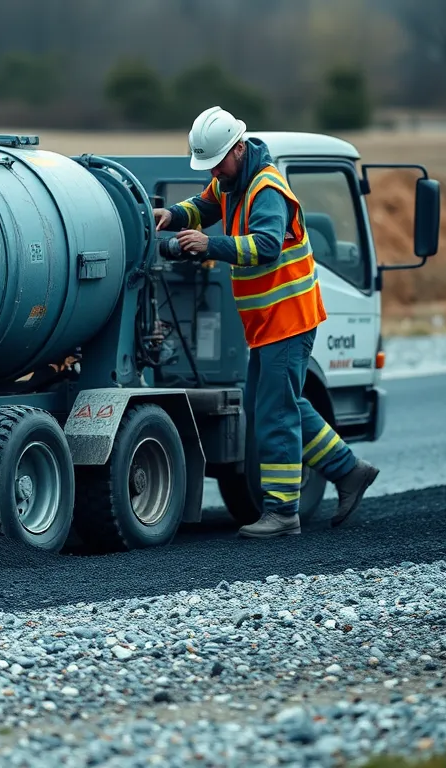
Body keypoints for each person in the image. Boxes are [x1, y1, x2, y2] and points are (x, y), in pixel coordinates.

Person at [153, 105, 379, 538]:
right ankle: (349, 471)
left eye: (218, 162)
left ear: (239, 148)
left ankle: (282, 513)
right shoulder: (231, 180)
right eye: (210, 166)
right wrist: (174, 216)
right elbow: (203, 205)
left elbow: (268, 245)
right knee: (279, 404)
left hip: (288, 318)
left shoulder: (266, 187)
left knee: (275, 411)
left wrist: (210, 245)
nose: (214, 172)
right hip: (269, 322)